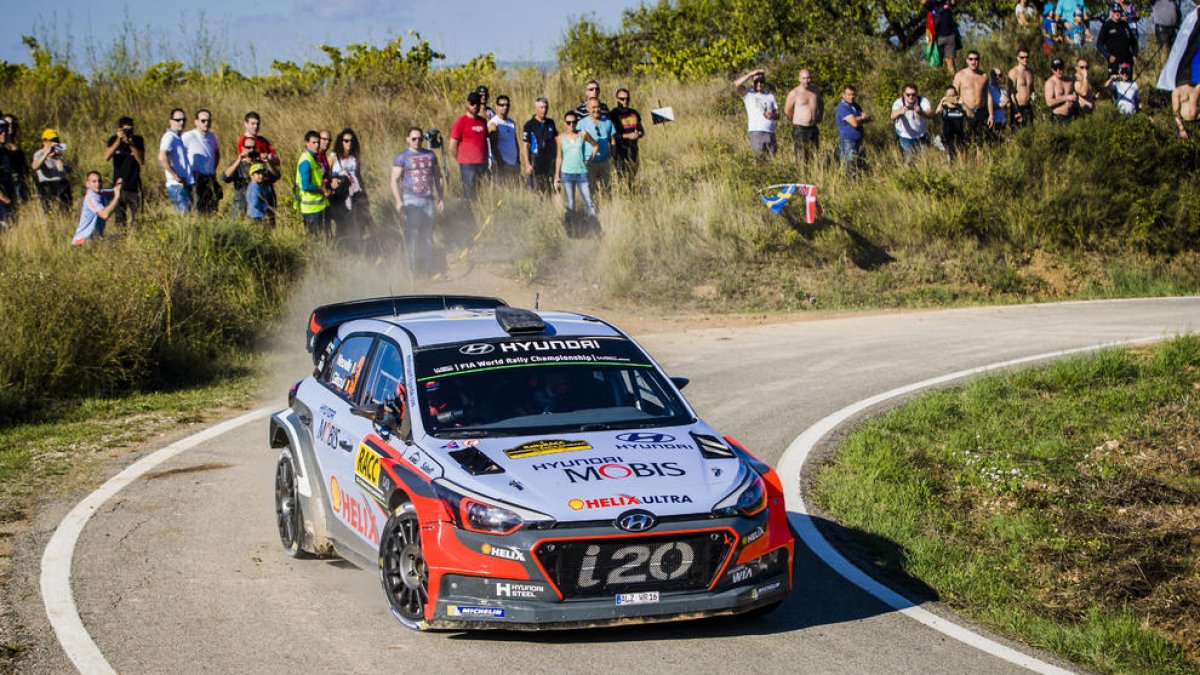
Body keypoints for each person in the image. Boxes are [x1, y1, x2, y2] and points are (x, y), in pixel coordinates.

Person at [391, 127, 445, 277]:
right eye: (414, 139)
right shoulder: (402, 157)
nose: (417, 141)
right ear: (407, 138)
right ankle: (412, 271)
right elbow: (394, 179)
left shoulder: (430, 155)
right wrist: (398, 200)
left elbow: (438, 176)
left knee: (427, 236)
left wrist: (441, 198)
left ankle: (428, 269)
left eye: (420, 139)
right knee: (412, 235)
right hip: (411, 200)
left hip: (428, 199)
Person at [329, 128, 370, 248]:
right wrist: (332, 181)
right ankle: (339, 246)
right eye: (346, 141)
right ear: (341, 141)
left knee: (356, 219)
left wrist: (364, 192)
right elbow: (326, 173)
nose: (349, 143)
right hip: (340, 193)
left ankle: (353, 246)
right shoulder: (334, 155)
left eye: (351, 141)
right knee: (342, 220)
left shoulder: (355, 156)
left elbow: (358, 175)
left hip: (355, 192)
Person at [234, 112, 281, 218]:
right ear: (246, 124)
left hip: (268, 182)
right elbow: (248, 159)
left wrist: (270, 159)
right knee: (256, 214)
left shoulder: (262, 140)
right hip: (254, 183)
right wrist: (263, 157)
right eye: (252, 123)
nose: (255, 127)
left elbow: (277, 160)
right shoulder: (244, 142)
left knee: (270, 217)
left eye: (257, 124)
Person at [555, 110, 599, 218]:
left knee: (588, 202)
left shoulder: (582, 134)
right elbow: (559, 157)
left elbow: (596, 145)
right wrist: (557, 175)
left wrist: (589, 160)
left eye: (574, 122)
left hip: (582, 173)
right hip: (567, 174)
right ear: (564, 123)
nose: (571, 125)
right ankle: (572, 227)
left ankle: (593, 224)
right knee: (570, 204)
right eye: (568, 122)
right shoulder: (560, 138)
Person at [223, 135, 275, 222]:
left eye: (254, 147)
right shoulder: (237, 164)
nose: (251, 150)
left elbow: (275, 177)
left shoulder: (260, 164)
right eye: (248, 147)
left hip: (259, 210)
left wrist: (268, 162)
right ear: (243, 148)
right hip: (241, 206)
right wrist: (238, 160)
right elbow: (225, 178)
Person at [103, 116, 144, 225]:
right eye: (126, 130)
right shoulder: (113, 140)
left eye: (130, 130)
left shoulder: (138, 140)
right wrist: (118, 140)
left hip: (133, 185)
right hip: (118, 186)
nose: (128, 133)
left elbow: (141, 161)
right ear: (120, 129)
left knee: (137, 218)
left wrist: (131, 144)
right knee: (120, 219)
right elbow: (106, 157)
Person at [448, 91, 488, 201]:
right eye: (472, 103)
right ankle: (469, 213)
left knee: (482, 191)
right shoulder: (460, 122)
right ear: (467, 104)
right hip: (467, 164)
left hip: (482, 163)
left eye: (477, 104)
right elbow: (452, 146)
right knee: (470, 192)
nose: (475, 106)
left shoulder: (483, 121)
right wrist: (461, 159)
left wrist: (485, 159)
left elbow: (485, 141)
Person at [575, 97, 616, 196]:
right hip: (589, 162)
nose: (596, 110)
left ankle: (607, 209)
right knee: (590, 191)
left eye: (598, 107)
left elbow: (613, 140)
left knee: (607, 190)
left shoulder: (608, 122)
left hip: (605, 161)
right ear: (587, 108)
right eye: (593, 107)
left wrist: (612, 158)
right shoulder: (581, 124)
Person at [182, 109, 220, 213]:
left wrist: (213, 168)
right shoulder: (188, 136)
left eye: (208, 121)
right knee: (196, 206)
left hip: (210, 176)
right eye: (203, 121)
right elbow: (179, 155)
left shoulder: (212, 136)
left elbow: (216, 152)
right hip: (195, 177)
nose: (206, 123)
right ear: (196, 122)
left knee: (211, 206)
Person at [734, 69, 780, 156]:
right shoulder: (748, 94)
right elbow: (737, 84)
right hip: (756, 133)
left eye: (761, 81)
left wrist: (772, 115)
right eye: (756, 81)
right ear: (752, 82)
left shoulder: (770, 96)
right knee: (759, 160)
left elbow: (778, 115)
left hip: (770, 132)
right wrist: (751, 73)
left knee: (772, 161)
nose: (759, 83)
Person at [953, 51, 995, 142]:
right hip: (965, 112)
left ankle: (980, 156)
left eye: (976, 59)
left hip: (981, 112)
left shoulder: (984, 76)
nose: (973, 61)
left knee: (982, 140)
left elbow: (989, 96)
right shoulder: (960, 75)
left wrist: (991, 115)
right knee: (966, 141)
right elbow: (953, 95)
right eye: (971, 59)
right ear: (967, 60)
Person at [784, 69, 824, 163]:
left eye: (808, 78)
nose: (806, 80)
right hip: (800, 129)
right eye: (804, 78)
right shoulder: (794, 93)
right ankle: (801, 176)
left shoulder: (815, 91)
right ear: (799, 79)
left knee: (813, 155)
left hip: (813, 128)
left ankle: (812, 176)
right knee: (801, 157)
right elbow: (787, 110)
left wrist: (820, 116)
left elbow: (821, 103)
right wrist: (796, 119)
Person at [296, 130, 330, 236]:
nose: (316, 145)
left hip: (317, 206)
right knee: (314, 239)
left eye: (318, 143)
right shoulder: (306, 160)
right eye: (313, 142)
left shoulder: (312, 158)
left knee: (320, 238)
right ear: (307, 143)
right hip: (310, 208)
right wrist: (322, 190)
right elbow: (306, 186)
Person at [521, 96, 558, 194]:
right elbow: (525, 145)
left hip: (549, 161)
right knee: (536, 190)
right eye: (541, 107)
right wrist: (527, 164)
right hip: (536, 160)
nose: (544, 110)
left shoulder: (551, 123)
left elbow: (556, 140)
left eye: (546, 107)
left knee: (549, 190)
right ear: (536, 108)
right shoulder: (529, 124)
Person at [72, 172, 121, 246]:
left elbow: (115, 190)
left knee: (120, 238)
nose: (97, 184)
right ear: (87, 184)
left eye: (99, 181)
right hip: (82, 241)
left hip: (95, 238)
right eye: (94, 181)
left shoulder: (101, 192)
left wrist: (120, 183)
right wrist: (116, 197)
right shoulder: (91, 197)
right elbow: (105, 215)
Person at [31, 128, 73, 215]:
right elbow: (34, 166)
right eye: (51, 140)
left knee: (66, 211)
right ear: (44, 142)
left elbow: (69, 170)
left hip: (62, 184)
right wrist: (46, 154)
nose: (54, 143)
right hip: (47, 185)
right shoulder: (39, 154)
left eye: (56, 140)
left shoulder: (58, 155)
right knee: (50, 211)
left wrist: (59, 158)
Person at [158, 109, 192, 213]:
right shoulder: (169, 137)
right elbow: (162, 157)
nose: (181, 122)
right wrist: (174, 175)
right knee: (184, 219)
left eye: (183, 120)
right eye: (178, 120)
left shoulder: (177, 137)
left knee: (187, 218)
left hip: (182, 185)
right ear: (171, 121)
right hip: (176, 186)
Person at [610, 88, 645, 183]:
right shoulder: (613, 114)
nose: (625, 101)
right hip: (620, 150)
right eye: (622, 99)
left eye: (627, 99)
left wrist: (639, 133)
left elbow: (641, 130)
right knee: (621, 177)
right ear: (617, 99)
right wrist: (628, 136)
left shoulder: (634, 113)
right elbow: (612, 135)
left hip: (633, 148)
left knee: (633, 175)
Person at [891, 84, 933, 159]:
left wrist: (921, 113)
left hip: (921, 134)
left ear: (917, 94)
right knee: (909, 159)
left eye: (913, 94)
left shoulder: (922, 101)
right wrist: (899, 112)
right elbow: (892, 116)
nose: (911, 97)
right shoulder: (899, 102)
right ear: (904, 94)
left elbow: (930, 114)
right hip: (905, 135)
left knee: (924, 158)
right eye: (908, 95)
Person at [835, 86, 869, 176]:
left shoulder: (855, 106)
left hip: (858, 139)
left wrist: (859, 118)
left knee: (860, 163)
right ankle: (850, 185)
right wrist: (861, 118)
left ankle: (859, 184)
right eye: (849, 94)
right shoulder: (842, 107)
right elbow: (854, 123)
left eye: (853, 95)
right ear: (843, 95)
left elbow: (867, 118)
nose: (851, 97)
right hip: (848, 141)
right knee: (851, 164)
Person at [1097, 4, 1138, 76]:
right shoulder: (1107, 25)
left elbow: (1134, 42)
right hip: (1115, 63)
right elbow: (1099, 44)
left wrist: (1134, 55)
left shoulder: (1125, 25)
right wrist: (1108, 56)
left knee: (1128, 84)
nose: (1117, 13)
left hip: (1127, 61)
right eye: (1115, 11)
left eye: (1119, 11)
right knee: (1114, 84)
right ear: (1111, 13)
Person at [488, 95, 521, 182]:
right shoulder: (494, 123)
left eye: (507, 105)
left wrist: (518, 159)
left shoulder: (511, 122)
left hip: (514, 164)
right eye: (501, 105)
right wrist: (500, 162)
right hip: (502, 165)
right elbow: (493, 146)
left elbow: (515, 141)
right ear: (496, 106)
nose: (505, 107)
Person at [2, 114, 30, 207]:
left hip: (21, 181)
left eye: (12, 124)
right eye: (7, 124)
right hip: (6, 182)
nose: (10, 127)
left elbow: (24, 165)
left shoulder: (17, 144)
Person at [937, 87, 968, 160]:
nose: (951, 97)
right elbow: (936, 115)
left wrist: (963, 104)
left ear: (956, 95)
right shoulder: (944, 107)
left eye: (953, 95)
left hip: (960, 137)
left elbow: (971, 115)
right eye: (948, 96)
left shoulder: (960, 106)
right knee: (951, 157)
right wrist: (941, 102)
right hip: (947, 138)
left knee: (962, 157)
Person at [932, 0, 961, 75]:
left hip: (950, 36)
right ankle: (937, 83)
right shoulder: (933, 4)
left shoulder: (948, 3)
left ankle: (952, 84)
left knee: (950, 62)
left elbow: (955, 2)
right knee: (936, 63)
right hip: (936, 38)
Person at [1045, 58, 1079, 122]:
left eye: (1060, 68)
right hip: (1058, 118)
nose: (1058, 70)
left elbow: (1078, 92)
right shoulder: (1050, 83)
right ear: (1052, 70)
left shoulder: (1069, 81)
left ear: (1063, 68)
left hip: (1072, 116)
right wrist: (1066, 98)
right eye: (1055, 69)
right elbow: (1049, 102)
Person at [1008, 50, 1036, 126]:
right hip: (1017, 107)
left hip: (1028, 107)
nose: (1025, 59)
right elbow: (1011, 93)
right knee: (1018, 134)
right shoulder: (1014, 72)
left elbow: (1032, 89)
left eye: (1027, 57)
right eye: (1022, 57)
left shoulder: (1030, 72)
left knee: (1030, 132)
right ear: (1018, 58)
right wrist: (1016, 110)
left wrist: (1033, 101)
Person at [987, 69, 1013, 140]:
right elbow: (986, 106)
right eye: (995, 75)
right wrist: (999, 106)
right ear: (991, 76)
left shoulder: (1002, 89)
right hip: (993, 121)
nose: (998, 77)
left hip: (1003, 122)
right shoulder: (988, 88)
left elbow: (1008, 104)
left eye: (1000, 75)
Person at [0, 120, 14, 226]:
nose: (3, 133)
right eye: (0, 130)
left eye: (5, 130)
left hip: (9, 194)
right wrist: (2, 197)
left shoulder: (5, 151)